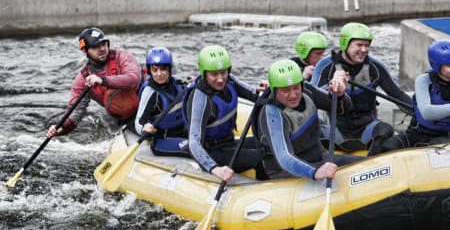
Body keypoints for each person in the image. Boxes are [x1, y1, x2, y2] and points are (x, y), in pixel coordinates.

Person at [311, 22, 413, 156]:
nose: (364, 50)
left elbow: (398, 96)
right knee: (311, 129)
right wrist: (331, 84)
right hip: (336, 132)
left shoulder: (375, 67)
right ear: (345, 44)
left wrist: (420, 113)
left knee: (385, 129)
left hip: (367, 131)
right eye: (359, 45)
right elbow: (310, 96)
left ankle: (370, 165)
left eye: (367, 45)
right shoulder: (326, 66)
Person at [256, 59, 362, 181]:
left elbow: (345, 108)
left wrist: (340, 96)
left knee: (364, 165)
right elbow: (284, 157)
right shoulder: (272, 113)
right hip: (285, 173)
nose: (293, 95)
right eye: (285, 90)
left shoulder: (308, 91)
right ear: (275, 90)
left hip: (318, 159)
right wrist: (315, 172)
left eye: (296, 88)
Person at [381, 39, 450, 152]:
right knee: (387, 147)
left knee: (438, 148)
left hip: (442, 137)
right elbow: (427, 112)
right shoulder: (424, 81)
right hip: (416, 134)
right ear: (437, 66)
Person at [183, 45, 266, 183]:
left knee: (266, 144)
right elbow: (194, 143)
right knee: (261, 156)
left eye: (223, 73)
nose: (220, 79)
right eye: (214, 74)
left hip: (228, 143)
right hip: (212, 153)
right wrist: (215, 169)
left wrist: (269, 89)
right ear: (204, 73)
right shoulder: (200, 99)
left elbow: (255, 94)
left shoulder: (230, 81)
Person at [47, 27, 142, 137]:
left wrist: (102, 81)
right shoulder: (83, 79)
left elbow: (133, 78)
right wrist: (61, 127)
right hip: (122, 116)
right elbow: (76, 111)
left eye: (104, 44)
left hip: (145, 103)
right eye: (95, 46)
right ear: (84, 50)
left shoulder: (121, 56)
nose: (102, 49)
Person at [135, 47, 188, 156]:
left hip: (182, 133)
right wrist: (144, 128)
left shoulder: (178, 84)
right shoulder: (150, 92)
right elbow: (139, 121)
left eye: (163, 69)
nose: (159, 74)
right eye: (155, 70)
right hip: (162, 140)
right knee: (194, 147)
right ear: (150, 71)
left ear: (169, 69)